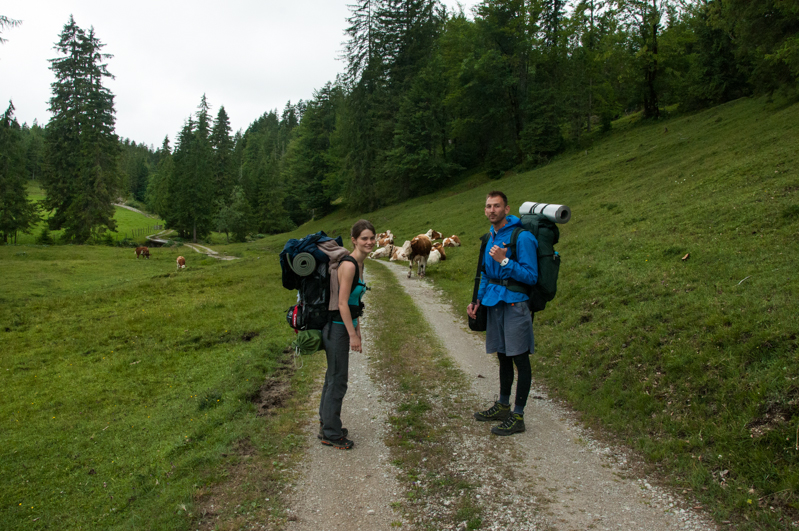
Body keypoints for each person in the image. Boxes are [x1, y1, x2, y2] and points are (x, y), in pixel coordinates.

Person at [467, 191, 538, 436]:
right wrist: (478, 300)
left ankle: (518, 415)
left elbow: (531, 276)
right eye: (488, 206)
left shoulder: (523, 237)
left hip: (516, 304)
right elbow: (487, 273)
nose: (491, 210)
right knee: (503, 355)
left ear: (507, 209)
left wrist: (506, 261)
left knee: (520, 358)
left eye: (496, 206)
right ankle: (503, 405)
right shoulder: (491, 236)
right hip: (494, 303)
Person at [318, 220, 376, 449]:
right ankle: (331, 433)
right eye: (364, 238)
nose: (369, 242)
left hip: (343, 326)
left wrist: (358, 330)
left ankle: (327, 424)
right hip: (336, 328)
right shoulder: (350, 265)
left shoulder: (360, 265)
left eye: (372, 237)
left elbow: (354, 303)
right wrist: (352, 335)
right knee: (338, 380)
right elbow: (342, 304)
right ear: (353, 240)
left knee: (332, 377)